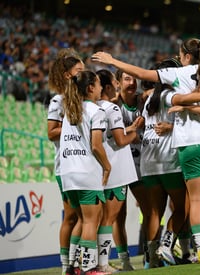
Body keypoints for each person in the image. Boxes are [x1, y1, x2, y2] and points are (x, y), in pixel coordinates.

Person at [92, 38, 200, 264]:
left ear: (185, 56)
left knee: (194, 200)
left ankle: (199, 251)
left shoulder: (173, 78)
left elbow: (143, 74)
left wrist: (112, 60)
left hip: (185, 144)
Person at [135, 58, 189, 268]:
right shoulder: (170, 96)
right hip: (168, 160)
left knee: (154, 212)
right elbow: (186, 125)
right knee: (183, 207)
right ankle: (167, 245)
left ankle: (151, 257)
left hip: (148, 163)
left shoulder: (150, 99)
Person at [60, 70, 111, 275]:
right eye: (98, 84)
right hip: (86, 172)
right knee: (91, 221)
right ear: (90, 88)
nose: (100, 88)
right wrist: (107, 166)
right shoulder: (96, 111)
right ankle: (89, 268)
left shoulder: (69, 110)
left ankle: (72, 266)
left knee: (81, 220)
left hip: (68, 173)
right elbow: (96, 145)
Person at [95, 69, 139, 273]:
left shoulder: (93, 108)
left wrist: (128, 129)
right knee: (109, 220)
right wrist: (135, 133)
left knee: (106, 219)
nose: (118, 85)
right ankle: (102, 265)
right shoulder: (112, 108)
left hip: (101, 169)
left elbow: (110, 136)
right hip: (117, 170)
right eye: (115, 82)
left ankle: (102, 262)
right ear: (107, 87)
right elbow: (120, 140)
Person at [47, 48, 84, 275]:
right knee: (74, 216)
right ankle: (67, 265)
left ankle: (75, 262)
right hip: (65, 165)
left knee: (81, 216)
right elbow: (51, 132)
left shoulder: (82, 98)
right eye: (79, 70)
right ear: (68, 75)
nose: (83, 73)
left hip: (82, 164)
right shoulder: (58, 100)